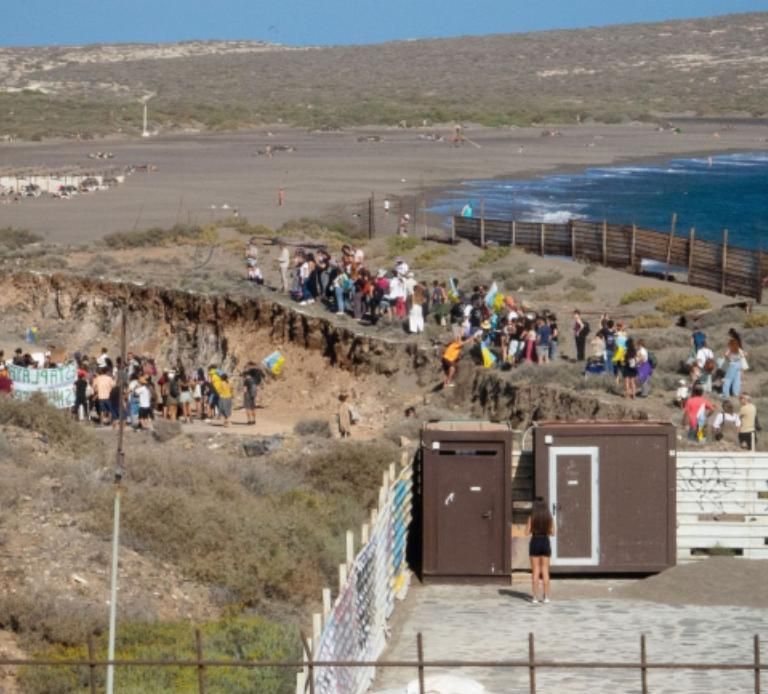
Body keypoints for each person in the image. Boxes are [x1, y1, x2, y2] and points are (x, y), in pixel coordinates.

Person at [526, 498, 554, 604]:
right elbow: (552, 532)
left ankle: (534, 598)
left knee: (536, 571)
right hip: (545, 542)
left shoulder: (531, 517)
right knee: (545, 571)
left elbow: (526, 532)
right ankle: (546, 597)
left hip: (535, 541)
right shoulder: (549, 517)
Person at [722, 330, 745, 399]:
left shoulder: (731, 345)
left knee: (728, 379)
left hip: (732, 364)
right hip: (739, 363)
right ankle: (736, 393)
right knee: (737, 379)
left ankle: (726, 394)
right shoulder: (738, 344)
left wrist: (729, 359)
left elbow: (726, 354)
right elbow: (743, 354)